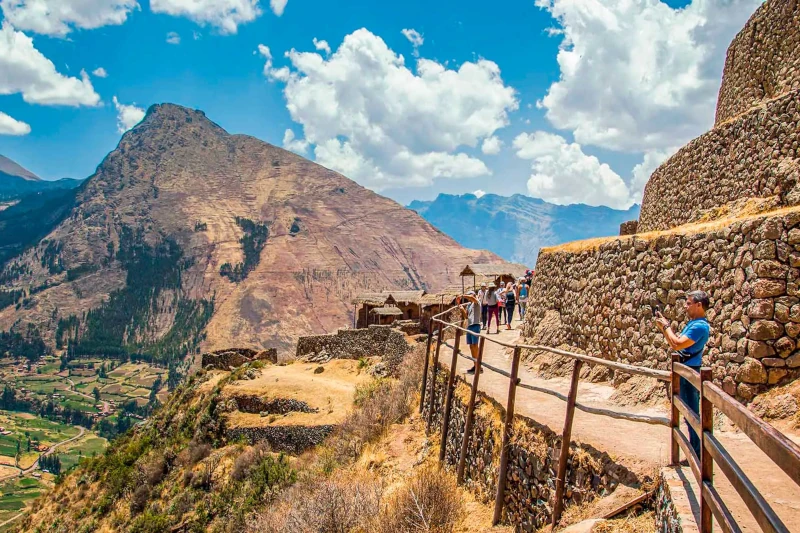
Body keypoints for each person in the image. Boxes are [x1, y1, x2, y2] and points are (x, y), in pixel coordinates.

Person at [655, 290, 710, 459]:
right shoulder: (694, 324)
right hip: (686, 371)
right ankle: (696, 452)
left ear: (699, 305)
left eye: (688, 303)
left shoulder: (699, 326)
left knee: (691, 413)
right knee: (688, 412)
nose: (685, 307)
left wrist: (665, 327)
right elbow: (677, 343)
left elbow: (677, 344)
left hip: (690, 372)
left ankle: (698, 454)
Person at [458, 291, 483, 374]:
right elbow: (466, 316)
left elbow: (472, 298)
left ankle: (479, 365)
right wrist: (462, 309)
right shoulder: (469, 305)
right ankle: (475, 365)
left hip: (475, 325)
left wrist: (462, 295)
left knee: (475, 345)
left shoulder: (477, 302)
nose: (469, 297)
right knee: (471, 346)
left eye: (470, 295)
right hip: (469, 326)